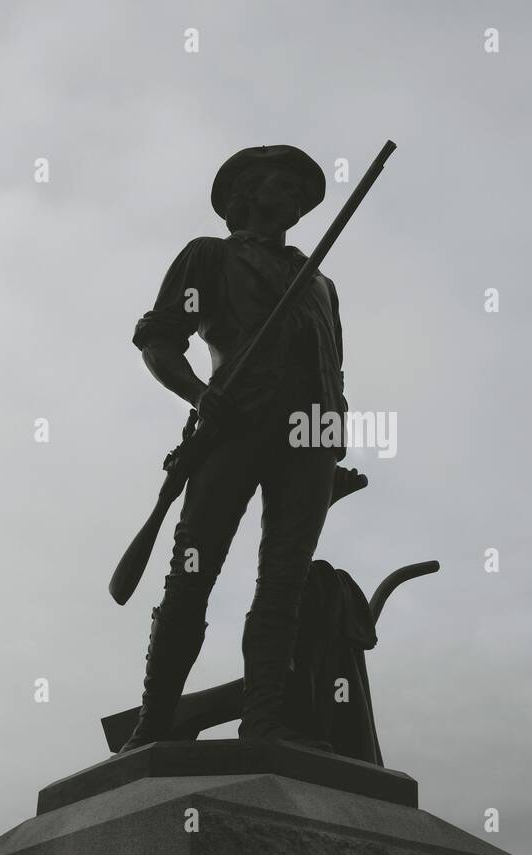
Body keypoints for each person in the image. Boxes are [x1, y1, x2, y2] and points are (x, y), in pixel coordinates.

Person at [120, 145, 348, 753]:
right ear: (246, 192)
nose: (297, 198)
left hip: (312, 439)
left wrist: (331, 452)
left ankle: (265, 722)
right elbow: (162, 340)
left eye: (304, 192)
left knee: (285, 583)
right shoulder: (211, 257)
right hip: (235, 425)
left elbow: (332, 372)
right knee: (192, 576)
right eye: (284, 183)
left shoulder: (320, 282)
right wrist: (199, 394)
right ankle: (154, 724)